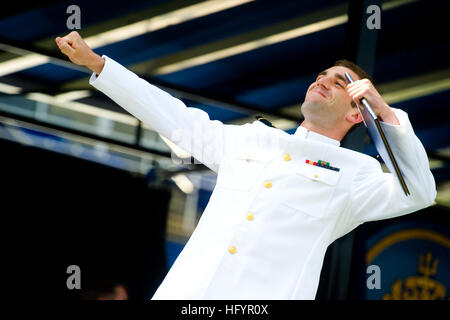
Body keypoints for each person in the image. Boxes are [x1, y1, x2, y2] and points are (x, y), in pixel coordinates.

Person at [56, 31, 436, 300]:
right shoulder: (253, 138)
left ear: (357, 111)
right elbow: (177, 119)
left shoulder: (357, 173)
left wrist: (382, 112)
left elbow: (419, 191)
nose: (322, 82)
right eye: (322, 76)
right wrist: (99, 65)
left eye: (339, 83)